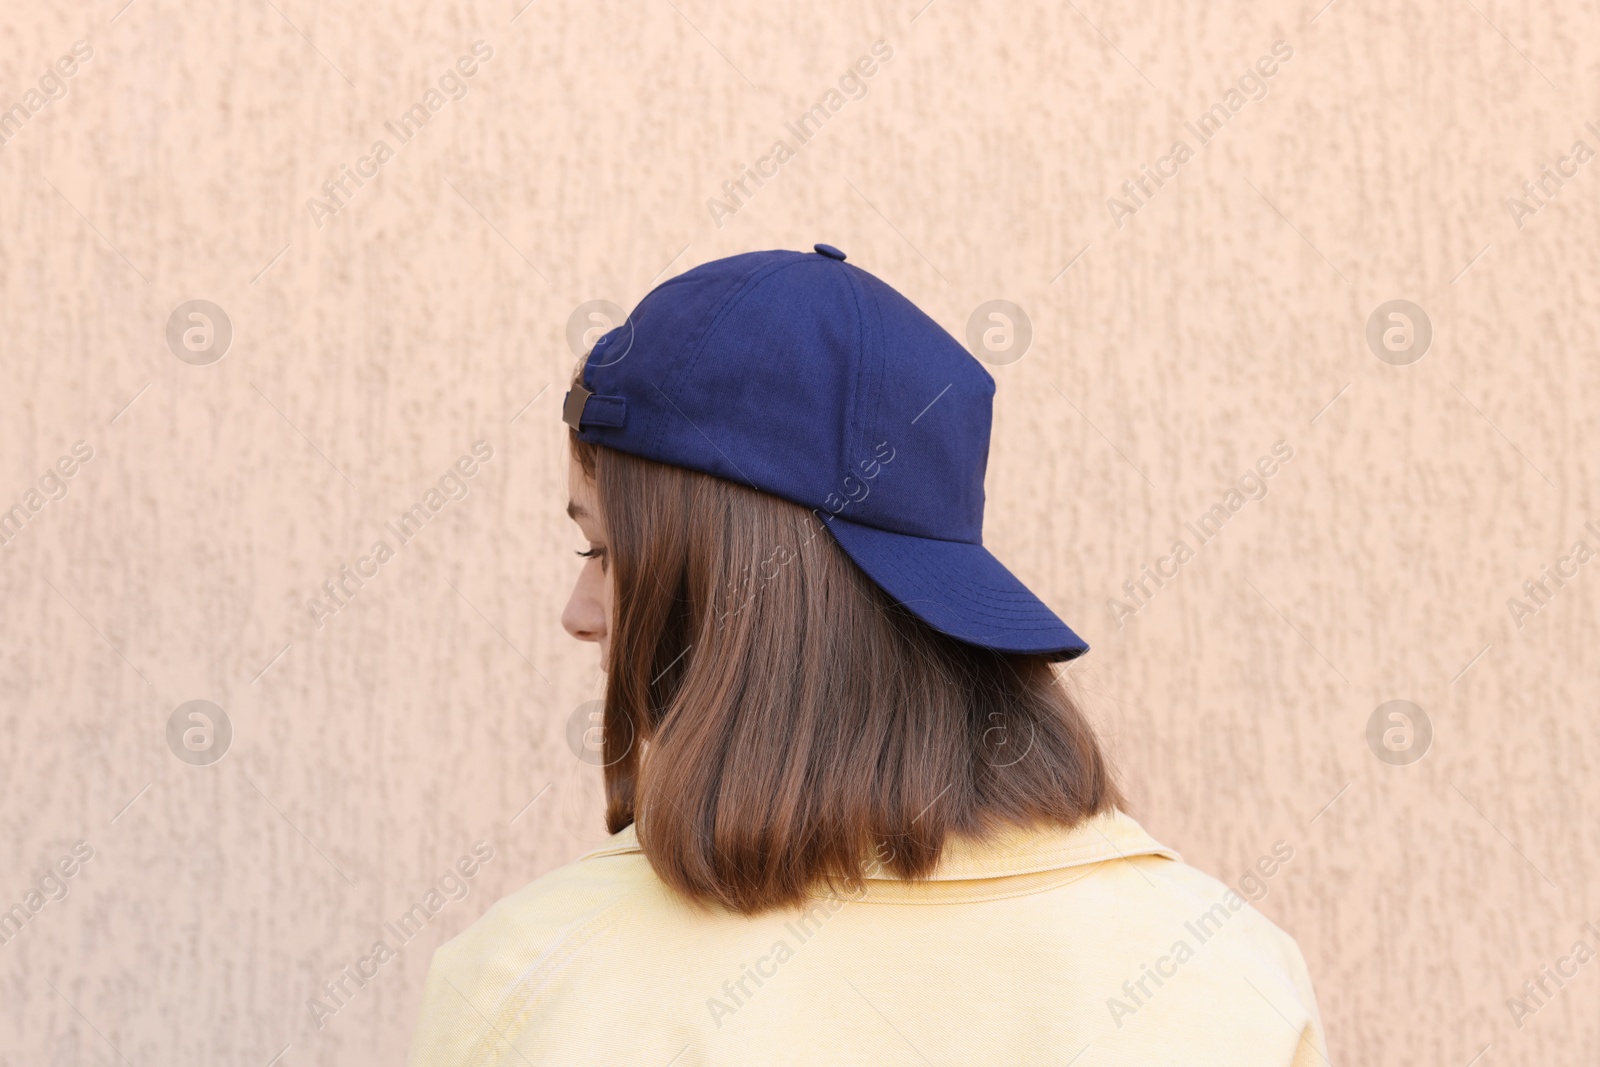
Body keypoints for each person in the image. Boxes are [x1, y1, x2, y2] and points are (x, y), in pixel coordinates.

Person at [406, 244, 1327, 1065]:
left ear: (735, 593)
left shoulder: (532, 980)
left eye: (602, 552)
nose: (579, 611)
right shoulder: (1225, 975)